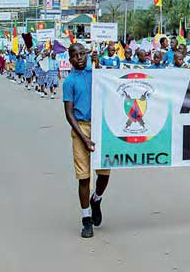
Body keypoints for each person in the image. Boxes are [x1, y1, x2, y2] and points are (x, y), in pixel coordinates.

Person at [63, 43, 110, 238]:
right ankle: (86, 219)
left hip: (100, 125)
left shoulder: (97, 74)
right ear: (70, 59)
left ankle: (97, 199)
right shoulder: (69, 82)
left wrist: (98, 66)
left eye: (83, 54)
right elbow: (69, 113)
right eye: (76, 55)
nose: (80, 58)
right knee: (84, 177)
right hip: (81, 127)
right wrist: (84, 138)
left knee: (105, 173)